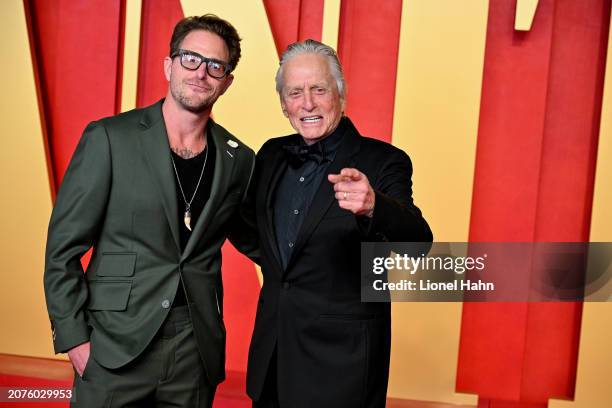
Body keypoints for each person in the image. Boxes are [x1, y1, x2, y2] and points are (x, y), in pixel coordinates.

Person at [44, 14, 257, 408]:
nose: (201, 73)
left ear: (227, 81)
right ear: (169, 65)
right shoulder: (110, 138)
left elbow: (259, 242)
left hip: (194, 349)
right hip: (113, 343)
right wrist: (75, 340)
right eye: (190, 59)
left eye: (216, 66)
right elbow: (62, 249)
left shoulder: (239, 159)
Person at [246, 39, 433, 408]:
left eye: (319, 89)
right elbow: (261, 238)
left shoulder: (384, 160)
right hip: (273, 358)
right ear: (284, 104)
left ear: (340, 94)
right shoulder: (270, 154)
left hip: (342, 368)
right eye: (295, 92)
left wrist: (373, 207)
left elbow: (418, 245)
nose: (308, 103)